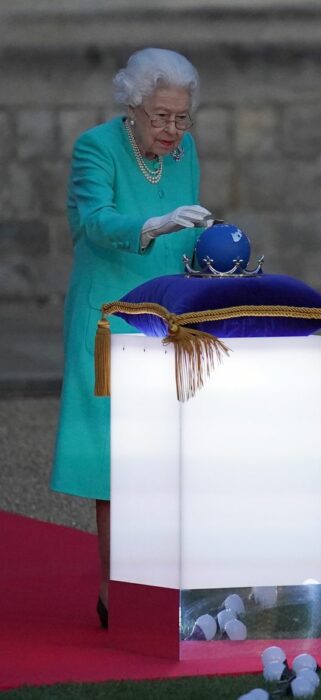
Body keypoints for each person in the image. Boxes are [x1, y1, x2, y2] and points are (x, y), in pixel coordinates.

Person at [50, 48, 211, 628]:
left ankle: (169, 583)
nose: (172, 130)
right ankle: (114, 590)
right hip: (110, 321)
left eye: (181, 118)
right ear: (133, 106)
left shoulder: (185, 150)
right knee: (117, 464)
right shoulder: (97, 147)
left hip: (171, 318)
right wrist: (149, 225)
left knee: (169, 456)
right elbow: (93, 220)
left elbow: (190, 231)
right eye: (161, 117)